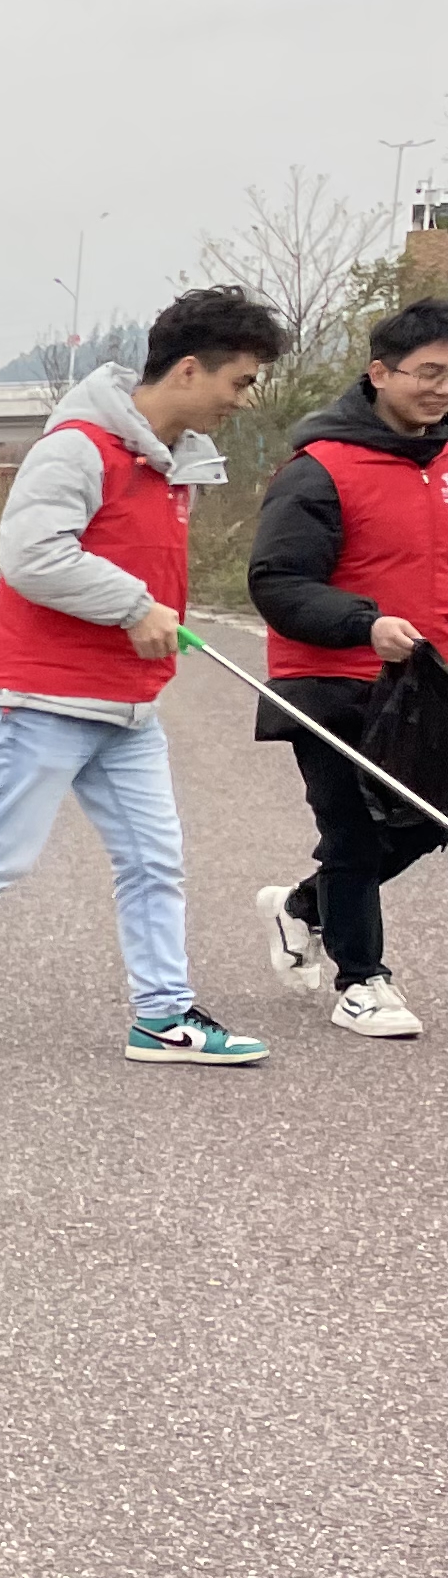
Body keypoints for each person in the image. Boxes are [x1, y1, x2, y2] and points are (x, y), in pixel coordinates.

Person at [0, 288, 293, 1065]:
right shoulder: (80, 447)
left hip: (127, 705)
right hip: (43, 697)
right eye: (241, 381)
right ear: (191, 370)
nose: (244, 398)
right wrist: (133, 606)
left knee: (155, 859)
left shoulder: (174, 463)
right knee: (2, 857)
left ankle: (163, 1015)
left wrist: (143, 618)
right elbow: (31, 556)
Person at [249, 297, 448, 1040]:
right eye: (426, 373)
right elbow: (277, 582)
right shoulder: (320, 468)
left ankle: (301, 907)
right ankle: (362, 982)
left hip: (429, 685)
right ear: (379, 373)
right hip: (331, 681)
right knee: (353, 829)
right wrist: (365, 623)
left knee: (429, 822)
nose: (439, 389)